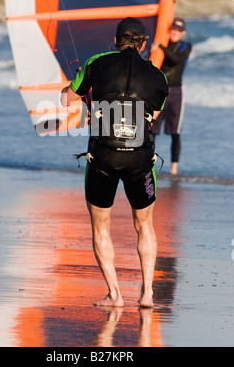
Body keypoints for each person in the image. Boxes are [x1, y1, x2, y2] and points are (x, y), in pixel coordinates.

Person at [61, 17, 168, 308]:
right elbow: (152, 118)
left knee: (101, 226)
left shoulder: (96, 62)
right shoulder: (159, 76)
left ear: (116, 40)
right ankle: (147, 294)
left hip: (103, 158)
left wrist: (75, 91)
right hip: (140, 159)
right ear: (144, 44)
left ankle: (115, 295)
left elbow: (67, 99)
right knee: (145, 224)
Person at [151, 17, 192, 175]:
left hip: (176, 92)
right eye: (173, 29)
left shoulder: (185, 46)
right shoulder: (162, 45)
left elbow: (176, 60)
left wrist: (160, 46)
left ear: (183, 33)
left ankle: (174, 167)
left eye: (178, 30)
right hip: (159, 91)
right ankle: (149, 162)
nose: (175, 32)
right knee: (152, 129)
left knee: (175, 131)